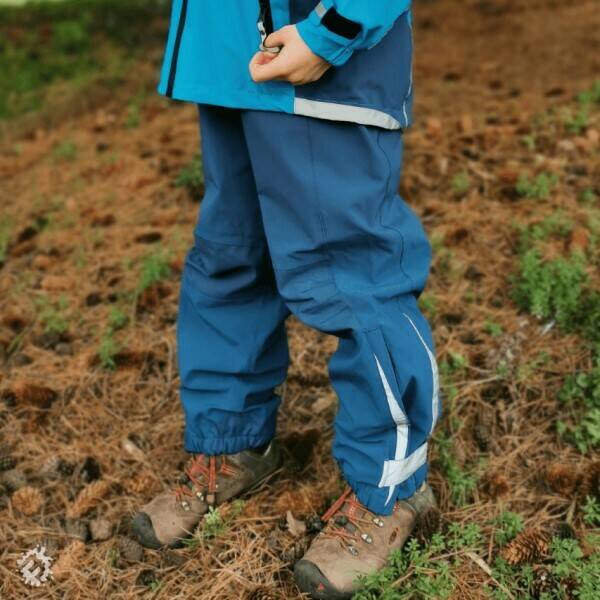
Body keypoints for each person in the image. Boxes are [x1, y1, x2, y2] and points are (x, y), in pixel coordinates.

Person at [132, 2, 440, 598]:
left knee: (350, 275)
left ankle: (392, 488)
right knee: (230, 259)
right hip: (226, 56)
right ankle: (233, 443)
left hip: (320, 56)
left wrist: (338, 28)